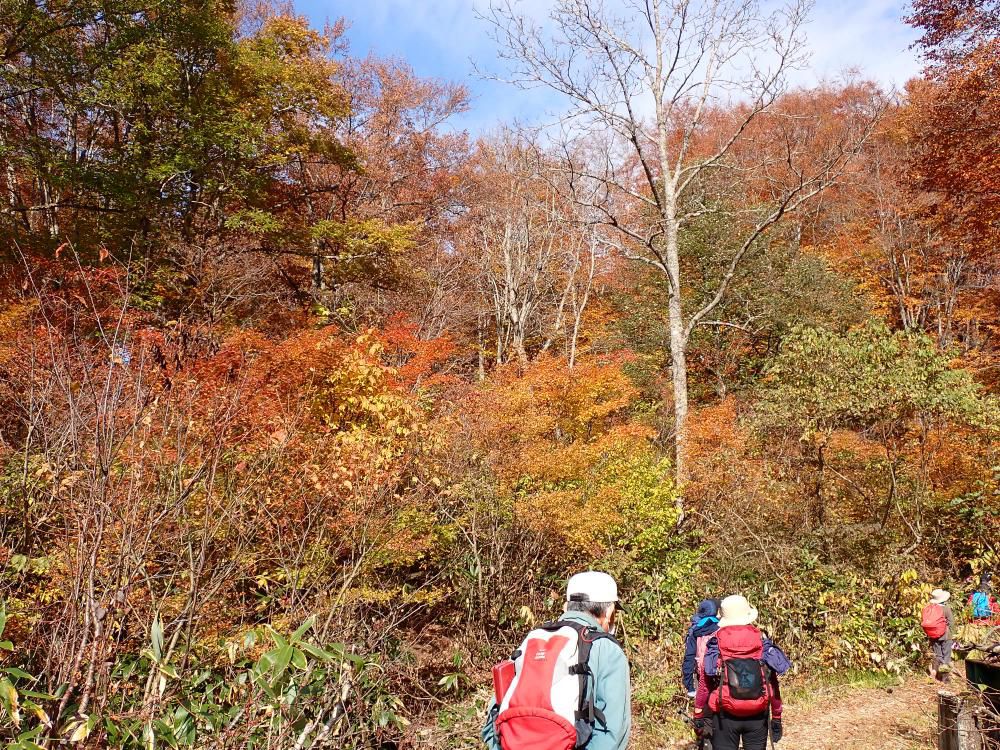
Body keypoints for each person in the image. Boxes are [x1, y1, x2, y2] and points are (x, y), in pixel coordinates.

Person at [482, 571, 631, 750]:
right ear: (609, 611)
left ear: (566, 606)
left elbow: (495, 712)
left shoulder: (534, 639)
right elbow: (613, 732)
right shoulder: (607, 650)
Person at [693, 595, 790, 750]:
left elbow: (705, 683)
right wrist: (777, 716)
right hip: (758, 714)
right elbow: (772, 682)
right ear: (747, 615)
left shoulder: (715, 643)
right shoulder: (761, 641)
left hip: (724, 715)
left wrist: (699, 713)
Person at [683, 599, 721, 698]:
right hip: (721, 675)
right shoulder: (722, 628)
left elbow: (689, 658)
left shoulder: (694, 630)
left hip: (702, 676)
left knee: (702, 708)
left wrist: (690, 686)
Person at [921, 589, 954, 681]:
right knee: (946, 656)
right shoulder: (946, 608)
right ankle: (945, 678)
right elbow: (951, 622)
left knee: (938, 655)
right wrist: (952, 634)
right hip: (946, 635)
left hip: (933, 636)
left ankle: (934, 674)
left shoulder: (929, 608)